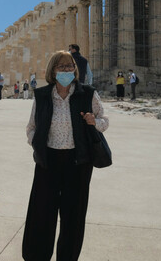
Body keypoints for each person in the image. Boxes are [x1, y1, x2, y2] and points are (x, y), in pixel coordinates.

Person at [22, 51, 108, 261]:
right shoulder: (42, 96)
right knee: (42, 213)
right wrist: (37, 144)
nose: (67, 70)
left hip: (78, 162)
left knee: (73, 215)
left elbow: (104, 120)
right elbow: (31, 127)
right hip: (48, 161)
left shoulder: (87, 94)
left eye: (70, 66)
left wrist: (93, 122)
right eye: (61, 67)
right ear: (53, 70)